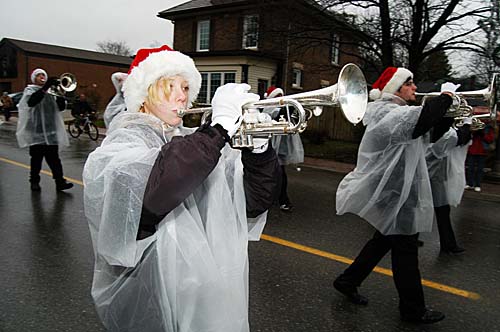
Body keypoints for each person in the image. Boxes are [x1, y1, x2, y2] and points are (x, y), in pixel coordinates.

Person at [83, 45, 280, 332]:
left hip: (195, 292)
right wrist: (218, 129)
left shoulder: (193, 142)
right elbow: (152, 195)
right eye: (170, 86)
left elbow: (251, 201)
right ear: (143, 96)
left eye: (186, 87)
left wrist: (258, 151)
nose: (182, 96)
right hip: (146, 295)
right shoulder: (122, 142)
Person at [334, 67, 459, 324]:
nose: (414, 87)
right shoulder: (388, 113)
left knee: (383, 241)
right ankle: (413, 310)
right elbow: (422, 121)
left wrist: (449, 113)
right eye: (409, 83)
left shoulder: (398, 113)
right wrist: (445, 97)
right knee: (405, 249)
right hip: (393, 193)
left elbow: (430, 133)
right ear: (396, 88)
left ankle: (347, 281)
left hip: (397, 191)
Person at [15, 68, 73, 191]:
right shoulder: (30, 90)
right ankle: (34, 182)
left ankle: (60, 182)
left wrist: (61, 93)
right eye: (38, 75)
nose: (41, 77)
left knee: (54, 159)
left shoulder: (51, 92)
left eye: (43, 75)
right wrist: (46, 86)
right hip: (36, 131)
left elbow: (61, 108)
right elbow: (32, 102)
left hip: (51, 130)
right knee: (36, 159)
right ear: (33, 78)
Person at [426, 118, 472, 254]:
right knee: (417, 209)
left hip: (435, 176)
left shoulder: (437, 129)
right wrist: (467, 123)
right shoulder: (439, 132)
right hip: (425, 176)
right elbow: (457, 138)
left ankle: (448, 244)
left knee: (442, 210)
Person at [262, 86, 304, 211]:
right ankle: (274, 199)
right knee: (270, 174)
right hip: (269, 146)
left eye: (281, 95)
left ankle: (282, 199)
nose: (280, 98)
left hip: (282, 148)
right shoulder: (267, 109)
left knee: (280, 174)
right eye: (277, 96)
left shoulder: (286, 108)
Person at [465, 121, 495, 192]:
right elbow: (468, 135)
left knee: (480, 169)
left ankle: (477, 185)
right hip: (472, 150)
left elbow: (490, 139)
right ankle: (470, 183)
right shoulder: (474, 125)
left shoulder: (489, 128)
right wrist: (473, 132)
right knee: (470, 168)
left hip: (482, 151)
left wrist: (483, 134)